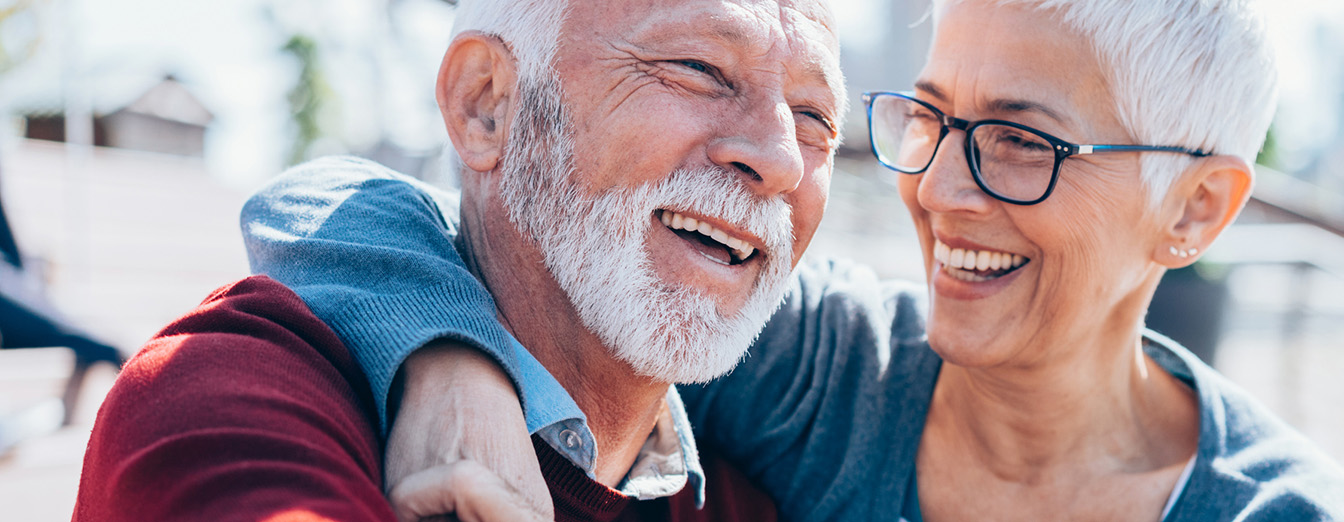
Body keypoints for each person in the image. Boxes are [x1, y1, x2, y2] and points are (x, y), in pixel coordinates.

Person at [242, 0, 1344, 521]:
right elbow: (342, 206)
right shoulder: (828, 370)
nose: (940, 189)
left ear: (1197, 209)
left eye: (1023, 143)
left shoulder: (1272, 513)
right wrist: (453, 359)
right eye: (927, 120)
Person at [73, 0, 846, 520]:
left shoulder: (742, 500)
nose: (780, 158)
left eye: (816, 118)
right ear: (486, 104)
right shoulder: (233, 401)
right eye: (700, 70)